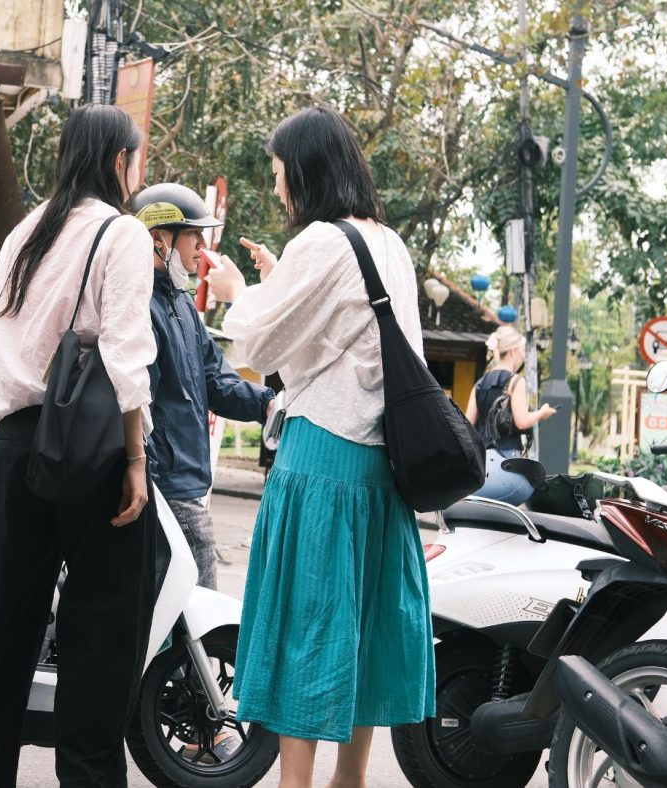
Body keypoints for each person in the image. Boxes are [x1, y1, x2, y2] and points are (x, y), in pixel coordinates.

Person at [204, 105, 435, 788]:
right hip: (379, 469)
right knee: (359, 632)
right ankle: (349, 781)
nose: (277, 187)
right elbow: (350, 343)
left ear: (302, 171)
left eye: (278, 172)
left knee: (307, 631)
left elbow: (255, 348)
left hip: (321, 463)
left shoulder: (321, 243)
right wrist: (283, 281)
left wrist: (237, 291)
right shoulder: (388, 244)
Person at [0, 104, 157, 788]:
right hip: (91, 449)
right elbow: (125, 355)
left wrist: (3, 434)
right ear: (119, 161)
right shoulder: (121, 233)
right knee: (102, 628)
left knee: (1, 617)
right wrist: (138, 459)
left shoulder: (29, 230)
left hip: (16, 443)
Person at [131, 182, 273, 591]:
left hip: (186, 485)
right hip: (166, 488)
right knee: (200, 611)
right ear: (159, 238)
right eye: (192, 233)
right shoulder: (137, 304)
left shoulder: (180, 304)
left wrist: (268, 404)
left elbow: (217, 380)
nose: (201, 245)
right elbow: (137, 404)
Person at [465, 324, 556, 458]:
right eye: (522, 351)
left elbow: (467, 424)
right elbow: (522, 421)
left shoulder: (480, 383)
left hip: (482, 456)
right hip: (507, 454)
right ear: (513, 351)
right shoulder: (516, 381)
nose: (523, 356)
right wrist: (542, 413)